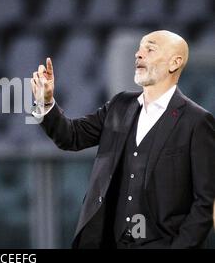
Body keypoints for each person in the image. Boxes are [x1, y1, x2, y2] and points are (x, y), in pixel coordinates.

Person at [31, 30, 215, 248]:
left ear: (174, 62)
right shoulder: (119, 106)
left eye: (150, 48)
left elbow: (205, 202)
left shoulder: (197, 121)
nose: (138, 54)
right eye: (139, 48)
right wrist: (46, 102)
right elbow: (71, 137)